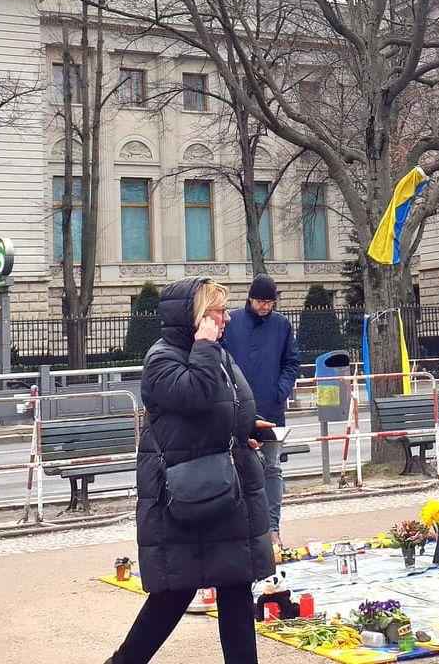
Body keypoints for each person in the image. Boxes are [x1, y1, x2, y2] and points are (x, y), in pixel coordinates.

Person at [108, 277, 273, 664]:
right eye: (217, 310)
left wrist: (247, 427)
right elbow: (194, 398)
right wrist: (203, 346)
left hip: (224, 486)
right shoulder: (163, 358)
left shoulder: (213, 352)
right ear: (195, 317)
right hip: (186, 493)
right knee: (173, 592)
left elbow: (220, 408)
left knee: (235, 585)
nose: (226, 318)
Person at [223, 274, 299, 544]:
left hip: (271, 409)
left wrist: (281, 391)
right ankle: (240, 530)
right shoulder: (231, 322)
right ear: (250, 299)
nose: (266, 306)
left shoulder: (281, 325)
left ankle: (272, 529)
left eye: (270, 302)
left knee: (272, 468)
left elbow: (292, 363)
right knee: (234, 469)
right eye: (261, 301)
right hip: (235, 410)